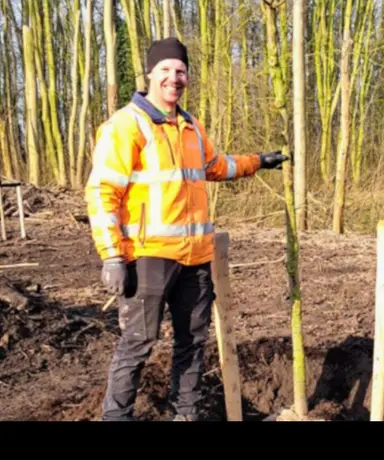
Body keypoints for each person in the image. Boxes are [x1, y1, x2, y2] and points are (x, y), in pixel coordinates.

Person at [84, 37, 288, 421]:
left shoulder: (191, 126)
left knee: (192, 343)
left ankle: (187, 414)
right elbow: (101, 192)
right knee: (138, 343)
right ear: (150, 74)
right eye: (165, 70)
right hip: (147, 257)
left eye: (180, 71)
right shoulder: (126, 126)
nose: (173, 78)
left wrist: (257, 161)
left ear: (187, 76)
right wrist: (111, 255)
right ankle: (116, 416)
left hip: (196, 257)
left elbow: (216, 166)